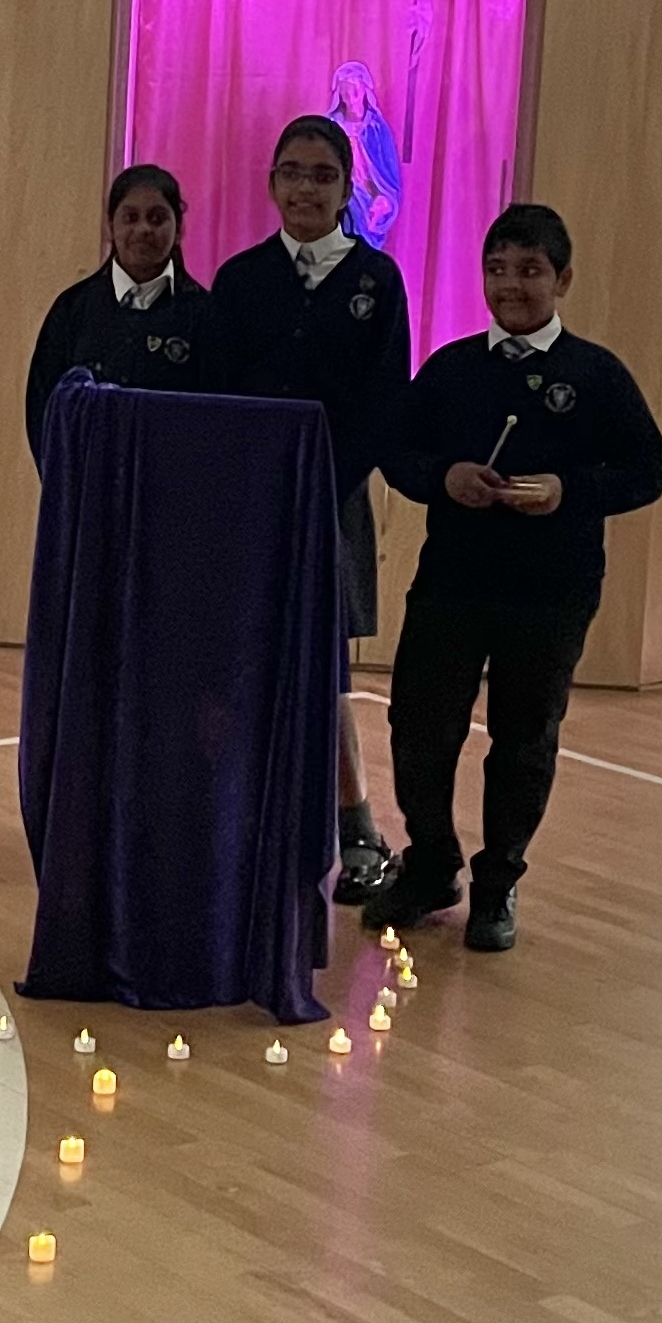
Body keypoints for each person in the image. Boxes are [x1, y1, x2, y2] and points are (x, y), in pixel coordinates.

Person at [380, 200, 662, 954]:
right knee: (419, 726)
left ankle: (498, 882)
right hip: (453, 581)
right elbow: (398, 451)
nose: (511, 285)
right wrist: (445, 478)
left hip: (550, 591)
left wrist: (570, 490)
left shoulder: (596, 374)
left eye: (530, 270)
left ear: (562, 280)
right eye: (497, 269)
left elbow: (649, 469)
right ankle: (431, 864)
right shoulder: (451, 369)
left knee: (524, 738)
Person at [212, 114, 414, 907]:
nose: (306, 188)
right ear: (272, 184)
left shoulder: (377, 282)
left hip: (331, 502)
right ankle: (239, 818)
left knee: (326, 668)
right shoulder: (240, 280)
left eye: (323, 175)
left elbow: (384, 401)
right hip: (247, 505)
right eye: (292, 173)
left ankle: (356, 827)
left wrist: (325, 479)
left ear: (346, 188)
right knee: (239, 661)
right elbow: (217, 393)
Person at [24, 164, 219, 463]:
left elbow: (217, 416)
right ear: (110, 226)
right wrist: (61, 479)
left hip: (173, 480)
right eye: (130, 217)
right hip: (86, 479)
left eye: (157, 218)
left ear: (179, 229)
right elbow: (42, 408)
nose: (143, 229)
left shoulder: (205, 314)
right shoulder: (74, 309)